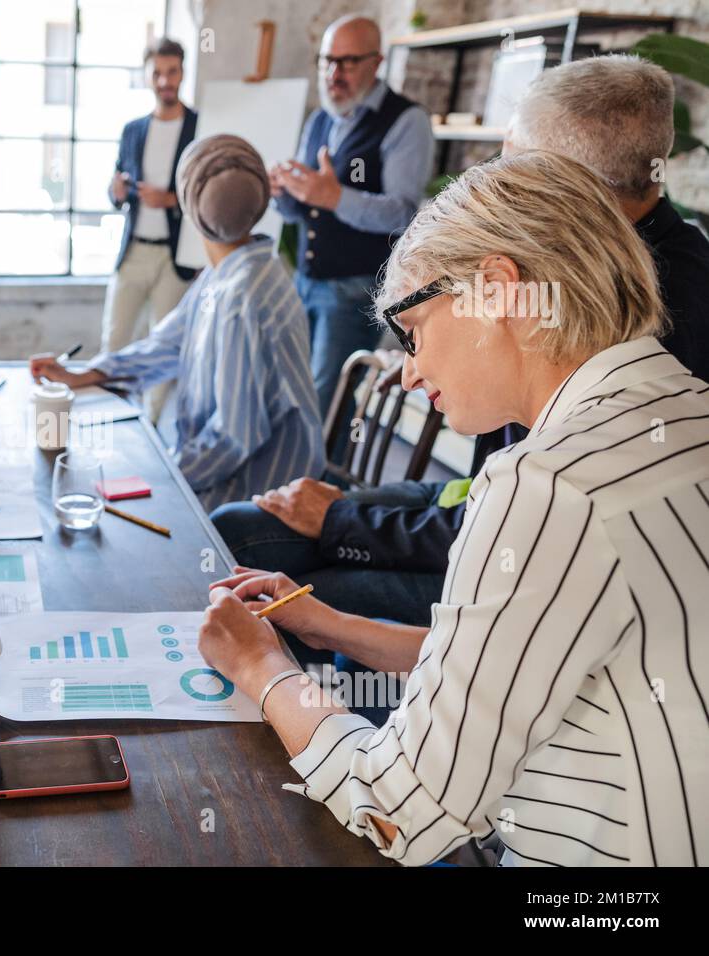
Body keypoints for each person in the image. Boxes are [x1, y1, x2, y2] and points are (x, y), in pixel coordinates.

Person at [198, 150, 709, 866]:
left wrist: (263, 669)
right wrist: (329, 624)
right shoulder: (682, 412)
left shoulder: (548, 484)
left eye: (413, 330)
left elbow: (401, 810)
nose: (409, 369)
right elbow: (523, 658)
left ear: (497, 289)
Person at [213, 54, 709, 630]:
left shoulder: (641, 306)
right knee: (246, 530)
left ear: (569, 191)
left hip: (513, 546)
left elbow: (523, 526)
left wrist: (344, 526)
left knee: (280, 593)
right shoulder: (557, 266)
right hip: (475, 502)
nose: (492, 181)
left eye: (512, 166)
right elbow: (484, 487)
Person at [31, 135, 323, 513]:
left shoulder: (240, 298)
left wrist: (160, 473)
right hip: (246, 476)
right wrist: (88, 373)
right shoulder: (244, 264)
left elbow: (235, 436)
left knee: (108, 513)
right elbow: (167, 343)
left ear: (188, 208)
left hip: (259, 500)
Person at [271, 14, 434, 418]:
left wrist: (334, 196)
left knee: (326, 405)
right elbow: (302, 207)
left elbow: (400, 213)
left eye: (346, 62)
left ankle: (322, 482)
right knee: (292, 394)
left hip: (353, 288)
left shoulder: (406, 120)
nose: (333, 73)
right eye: (327, 61)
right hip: (305, 280)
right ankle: (293, 481)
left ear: (376, 62)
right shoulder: (321, 119)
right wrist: (283, 194)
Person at [103, 37, 198, 359]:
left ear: (182, 73)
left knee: (163, 348)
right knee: (114, 341)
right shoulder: (133, 130)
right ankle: (113, 410)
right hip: (133, 251)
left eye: (171, 72)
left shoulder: (199, 127)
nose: (164, 81)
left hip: (175, 257)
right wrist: (116, 193)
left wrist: (171, 200)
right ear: (147, 76)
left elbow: (209, 192)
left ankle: (152, 413)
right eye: (157, 73)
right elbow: (117, 186)